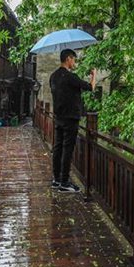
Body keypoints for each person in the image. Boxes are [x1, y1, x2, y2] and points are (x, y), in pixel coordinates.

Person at [49, 49, 95, 193]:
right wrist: (93, 75)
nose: (74, 62)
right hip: (71, 117)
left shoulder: (53, 76)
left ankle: (57, 179)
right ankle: (64, 182)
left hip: (59, 117)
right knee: (67, 149)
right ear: (68, 59)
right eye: (74, 59)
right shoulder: (71, 77)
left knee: (58, 147)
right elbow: (90, 87)